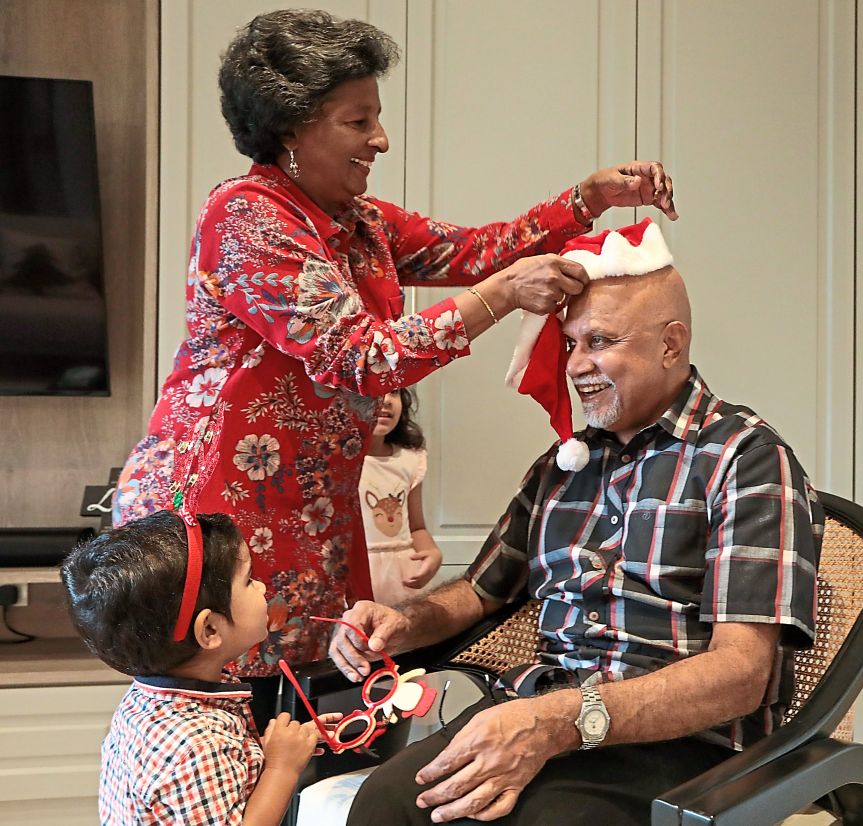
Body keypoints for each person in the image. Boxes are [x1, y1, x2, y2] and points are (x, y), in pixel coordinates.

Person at [110, 7, 678, 728]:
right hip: (221, 525)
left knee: (311, 729)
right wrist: (500, 298)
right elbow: (362, 356)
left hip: (307, 516)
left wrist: (588, 199)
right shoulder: (247, 220)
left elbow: (474, 251)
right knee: (231, 737)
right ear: (290, 127)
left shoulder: (361, 222)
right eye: (358, 122)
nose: (380, 139)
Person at [328, 223, 825, 825]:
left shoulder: (745, 458)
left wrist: (562, 722)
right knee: (386, 803)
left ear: (672, 344)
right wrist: (399, 626)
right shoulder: (561, 467)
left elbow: (742, 674)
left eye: (600, 341)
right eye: (570, 344)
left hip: (677, 747)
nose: (576, 365)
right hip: (537, 707)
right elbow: (480, 591)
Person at [61, 511, 334, 825]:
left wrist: (267, 752)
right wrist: (281, 768)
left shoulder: (148, 702)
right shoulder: (199, 745)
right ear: (210, 630)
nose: (260, 588)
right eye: (247, 581)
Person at [361, 387, 442, 607]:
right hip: (358, 577)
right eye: (375, 389)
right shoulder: (338, 462)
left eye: (394, 391)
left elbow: (416, 527)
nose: (386, 400)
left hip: (402, 580)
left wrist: (432, 553)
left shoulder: (410, 460)